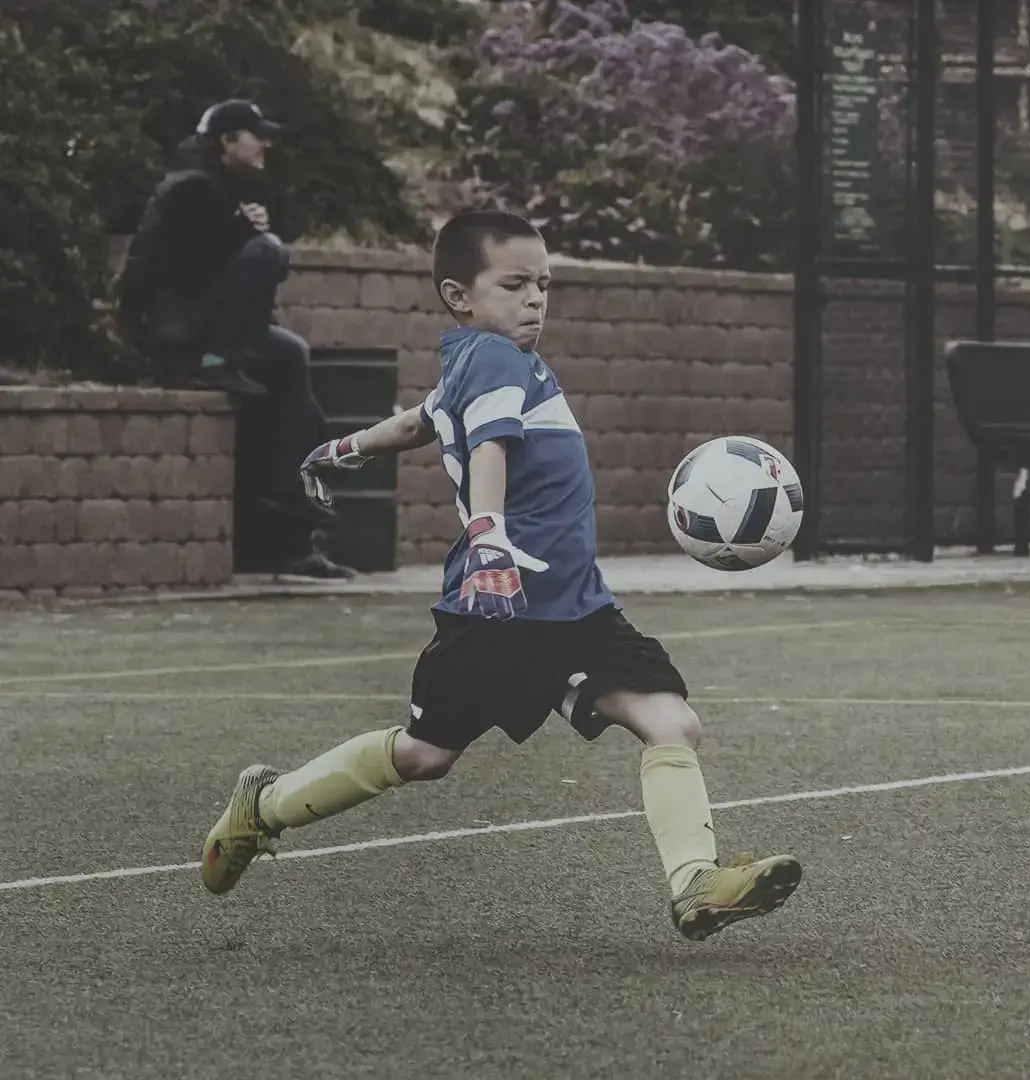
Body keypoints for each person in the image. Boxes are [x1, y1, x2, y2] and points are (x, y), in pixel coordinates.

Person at [198, 209, 802, 941]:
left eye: (544, 284)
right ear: (460, 296)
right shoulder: (494, 360)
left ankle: (695, 883)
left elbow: (419, 422)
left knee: (671, 722)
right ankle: (262, 807)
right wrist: (486, 539)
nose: (535, 299)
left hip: (577, 611)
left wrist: (343, 448)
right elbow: (488, 448)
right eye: (514, 284)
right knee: (425, 755)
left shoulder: (475, 364)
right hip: (500, 608)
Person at [117, 98, 353, 579]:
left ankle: (296, 532)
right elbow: (180, 274)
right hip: (177, 334)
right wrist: (243, 234)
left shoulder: (224, 190)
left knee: (292, 356)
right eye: (255, 134)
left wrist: (242, 235)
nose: (265, 143)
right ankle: (213, 363)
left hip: (203, 327)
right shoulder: (190, 189)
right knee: (267, 249)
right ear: (227, 141)